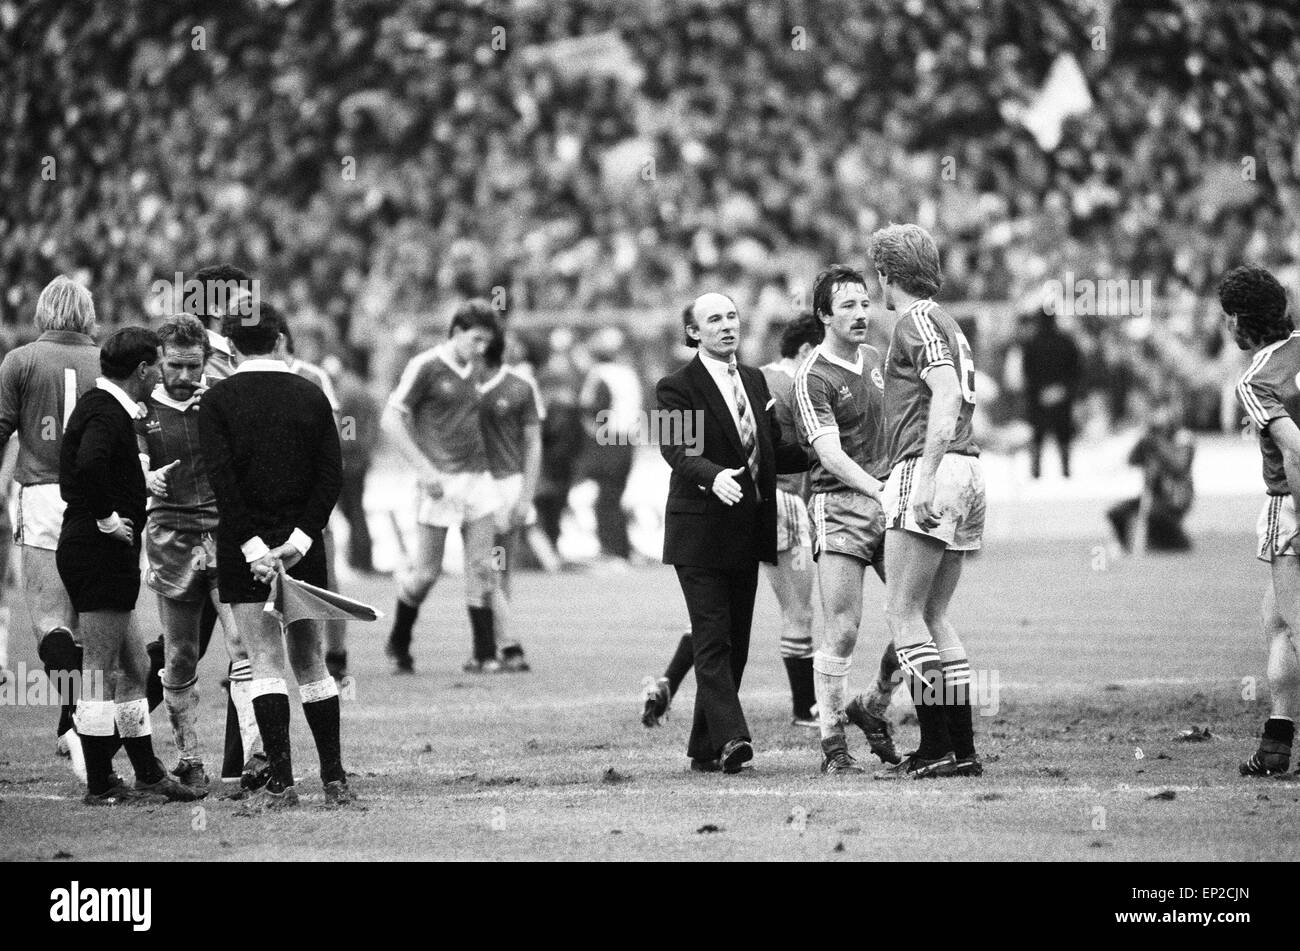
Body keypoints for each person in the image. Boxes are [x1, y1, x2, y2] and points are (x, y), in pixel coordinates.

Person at [641, 311, 828, 729]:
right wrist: (713, 476)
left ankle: (689, 715)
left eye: (732, 317)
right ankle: (796, 711)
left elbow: (774, 449)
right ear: (692, 332)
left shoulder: (754, 378)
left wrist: (828, 456)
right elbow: (674, 446)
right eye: (715, 320)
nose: (727, 326)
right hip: (754, 511)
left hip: (750, 516)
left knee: (723, 632)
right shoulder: (678, 385)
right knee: (790, 612)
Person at [199, 302, 350, 809]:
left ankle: (282, 782)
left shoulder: (217, 401)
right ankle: (334, 777)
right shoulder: (311, 394)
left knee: (264, 661)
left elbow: (223, 483)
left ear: (232, 344)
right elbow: (330, 476)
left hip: (245, 550)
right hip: (301, 548)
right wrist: (301, 541)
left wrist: (254, 549)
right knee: (311, 660)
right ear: (280, 340)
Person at [59, 326, 199, 804]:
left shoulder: (103, 407)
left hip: (100, 551)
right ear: (142, 370)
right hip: (98, 551)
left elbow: (84, 468)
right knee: (99, 668)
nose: (163, 373)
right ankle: (99, 782)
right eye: (160, 364)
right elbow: (88, 467)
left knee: (136, 665)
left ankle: (147, 773)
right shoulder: (106, 411)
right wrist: (105, 520)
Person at [870, 222, 986, 779]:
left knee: (903, 612)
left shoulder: (915, 320)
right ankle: (957, 748)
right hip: (966, 467)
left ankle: (939, 744)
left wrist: (926, 476)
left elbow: (943, 390)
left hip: (931, 464)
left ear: (885, 274)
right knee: (935, 614)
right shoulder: (947, 321)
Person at [136, 314, 261, 794]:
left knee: (243, 644)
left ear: (206, 360)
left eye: (194, 366)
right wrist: (146, 478)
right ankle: (189, 756)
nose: (186, 377)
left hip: (224, 530)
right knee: (182, 651)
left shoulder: (221, 397)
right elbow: (135, 459)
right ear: (159, 362)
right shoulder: (141, 408)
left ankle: (257, 755)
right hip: (171, 536)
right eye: (175, 366)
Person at [793, 265, 905, 773]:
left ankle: (874, 705)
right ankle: (833, 743)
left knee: (915, 619)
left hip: (889, 500)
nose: (862, 314)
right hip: (840, 503)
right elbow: (829, 454)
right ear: (823, 316)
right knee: (843, 629)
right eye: (848, 307)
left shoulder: (880, 360)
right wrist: (878, 489)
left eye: (864, 303)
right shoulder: (813, 376)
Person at [0, 276, 103, 778]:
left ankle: (77, 716)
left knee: (50, 621)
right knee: (87, 621)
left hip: (42, 495)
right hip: (98, 501)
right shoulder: (106, 361)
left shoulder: (19, 360)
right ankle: (74, 720)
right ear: (86, 312)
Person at [383, 300, 501, 673]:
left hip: (478, 478)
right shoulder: (426, 366)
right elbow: (391, 420)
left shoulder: (480, 367)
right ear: (455, 333)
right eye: (476, 339)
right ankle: (399, 640)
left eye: (486, 341)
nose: (481, 348)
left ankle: (484, 654)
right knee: (426, 574)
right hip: (439, 482)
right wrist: (424, 470)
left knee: (481, 566)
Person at [1223, 264, 1300, 777]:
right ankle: (1276, 744)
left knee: (1295, 626)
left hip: (1291, 505)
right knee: (1276, 621)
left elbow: (1295, 454)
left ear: (1239, 321)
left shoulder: (1256, 378)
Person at [281, 319, 349, 683]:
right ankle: (255, 661)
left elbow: (332, 437)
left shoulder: (313, 376)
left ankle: (336, 654)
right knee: (266, 578)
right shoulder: (249, 374)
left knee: (324, 577)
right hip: (270, 495)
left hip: (309, 495)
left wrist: (322, 489)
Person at [478, 321, 544, 672]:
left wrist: (525, 496)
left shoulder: (520, 386)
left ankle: (502, 646)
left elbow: (533, 444)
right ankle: (501, 645)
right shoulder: (465, 383)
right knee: (492, 569)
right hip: (482, 486)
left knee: (496, 570)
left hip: (503, 487)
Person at [579, 327, 642, 567]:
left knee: (605, 499)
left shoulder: (599, 373)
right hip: (628, 440)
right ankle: (623, 548)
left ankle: (611, 550)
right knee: (614, 496)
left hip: (609, 439)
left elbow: (589, 407)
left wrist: (592, 436)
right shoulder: (628, 373)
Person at [1106, 399, 1195, 553]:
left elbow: (1179, 466)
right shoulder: (1150, 438)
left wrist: (1157, 443)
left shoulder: (1183, 437)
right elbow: (1132, 460)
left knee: (1155, 514)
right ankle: (1125, 546)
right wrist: (1143, 441)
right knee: (1116, 512)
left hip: (1175, 497)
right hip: (1153, 495)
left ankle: (1179, 542)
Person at [1022, 311, 1082, 479]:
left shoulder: (1031, 344)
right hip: (1062, 397)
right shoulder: (1066, 342)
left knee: (1037, 437)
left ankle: (1035, 472)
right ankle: (1066, 470)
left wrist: (1042, 392)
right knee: (1064, 435)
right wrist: (1062, 390)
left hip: (1039, 399)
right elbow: (1076, 371)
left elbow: (1028, 373)